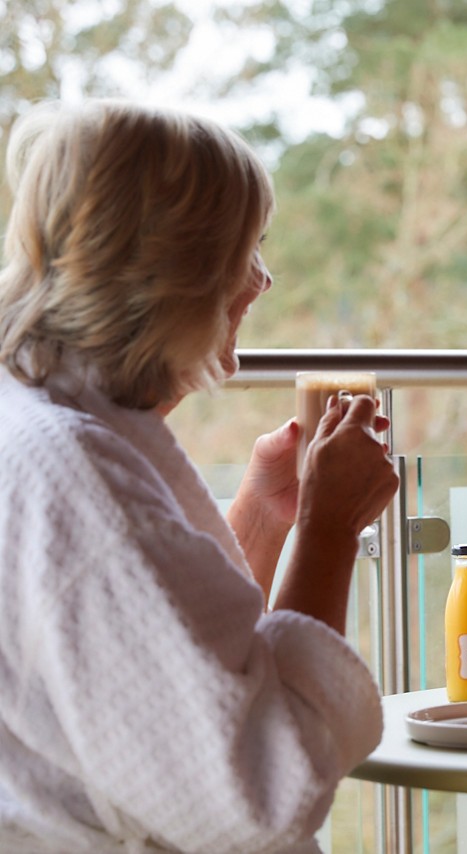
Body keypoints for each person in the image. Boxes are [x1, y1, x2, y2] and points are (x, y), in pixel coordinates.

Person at [0, 100, 400, 852]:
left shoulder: (36, 418)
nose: (263, 279)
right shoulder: (78, 474)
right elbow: (262, 793)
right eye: (243, 249)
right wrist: (329, 529)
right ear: (179, 271)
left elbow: (160, 662)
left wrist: (264, 516)